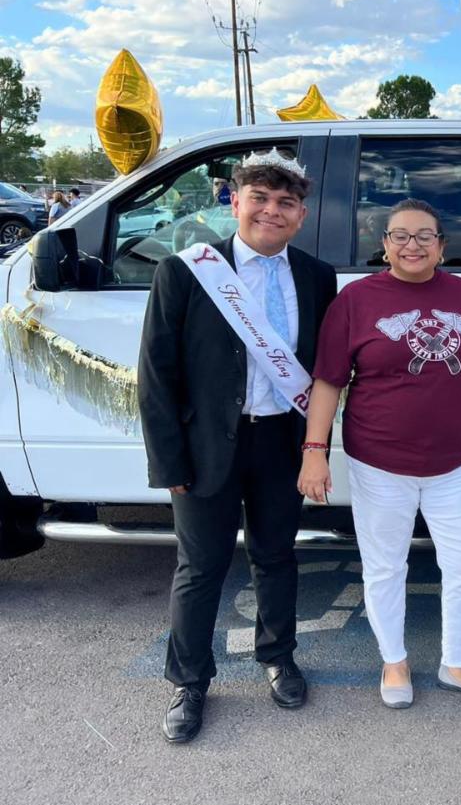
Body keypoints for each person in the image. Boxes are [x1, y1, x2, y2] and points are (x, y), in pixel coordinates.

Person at [138, 149, 337, 744]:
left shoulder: (317, 276)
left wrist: (316, 446)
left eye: (285, 202)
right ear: (234, 201)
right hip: (206, 447)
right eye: (260, 198)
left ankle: (278, 658)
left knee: (276, 556)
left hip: (281, 440)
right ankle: (189, 681)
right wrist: (168, 461)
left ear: (301, 214)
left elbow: (324, 371)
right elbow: (156, 375)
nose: (271, 211)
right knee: (201, 567)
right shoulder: (186, 271)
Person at [299, 199, 461, 709]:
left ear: (442, 246)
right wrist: (314, 450)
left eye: (424, 236)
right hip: (378, 461)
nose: (411, 245)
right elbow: (328, 380)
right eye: (400, 235)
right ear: (384, 245)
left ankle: (458, 663)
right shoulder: (356, 300)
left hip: (455, 462)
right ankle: (394, 661)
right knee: (385, 566)